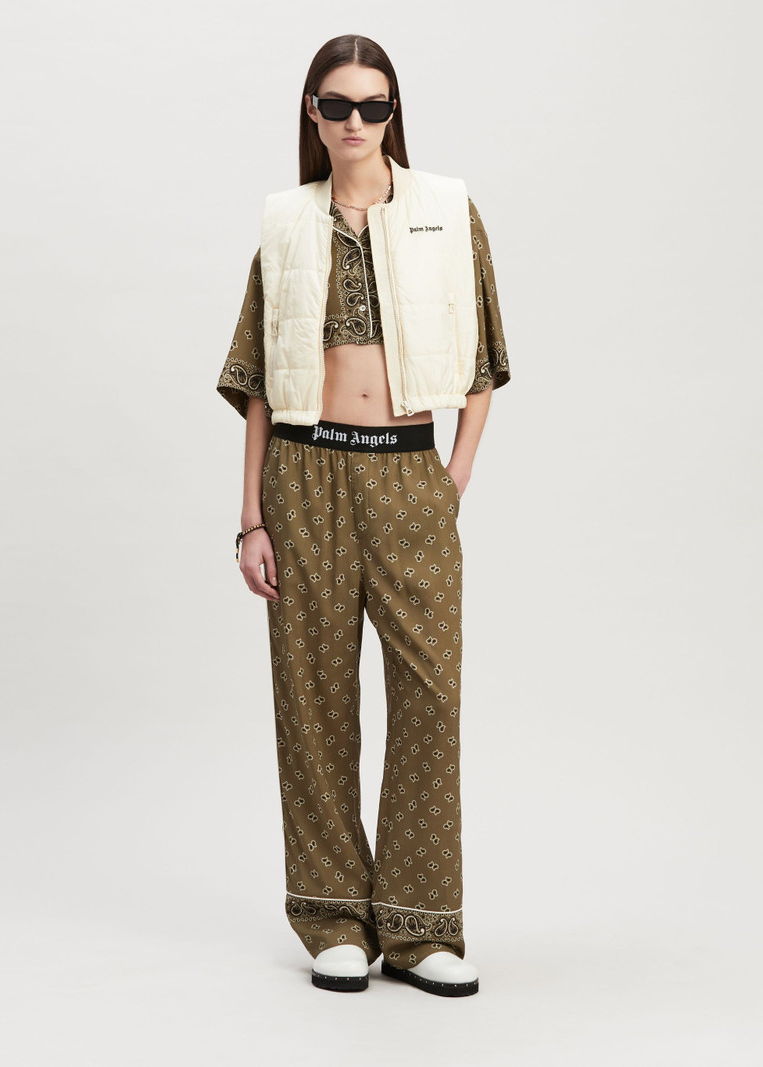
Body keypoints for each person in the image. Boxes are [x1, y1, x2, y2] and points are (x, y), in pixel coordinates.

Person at [216, 34, 511, 997]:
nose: (355, 122)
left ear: (393, 113)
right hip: (303, 477)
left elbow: (483, 362)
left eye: (373, 106)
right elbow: (258, 384)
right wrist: (251, 517)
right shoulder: (285, 224)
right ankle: (334, 915)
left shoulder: (447, 210)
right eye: (337, 105)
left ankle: (422, 929)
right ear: (313, 111)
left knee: (430, 697)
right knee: (312, 699)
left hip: (407, 475)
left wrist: (451, 479)